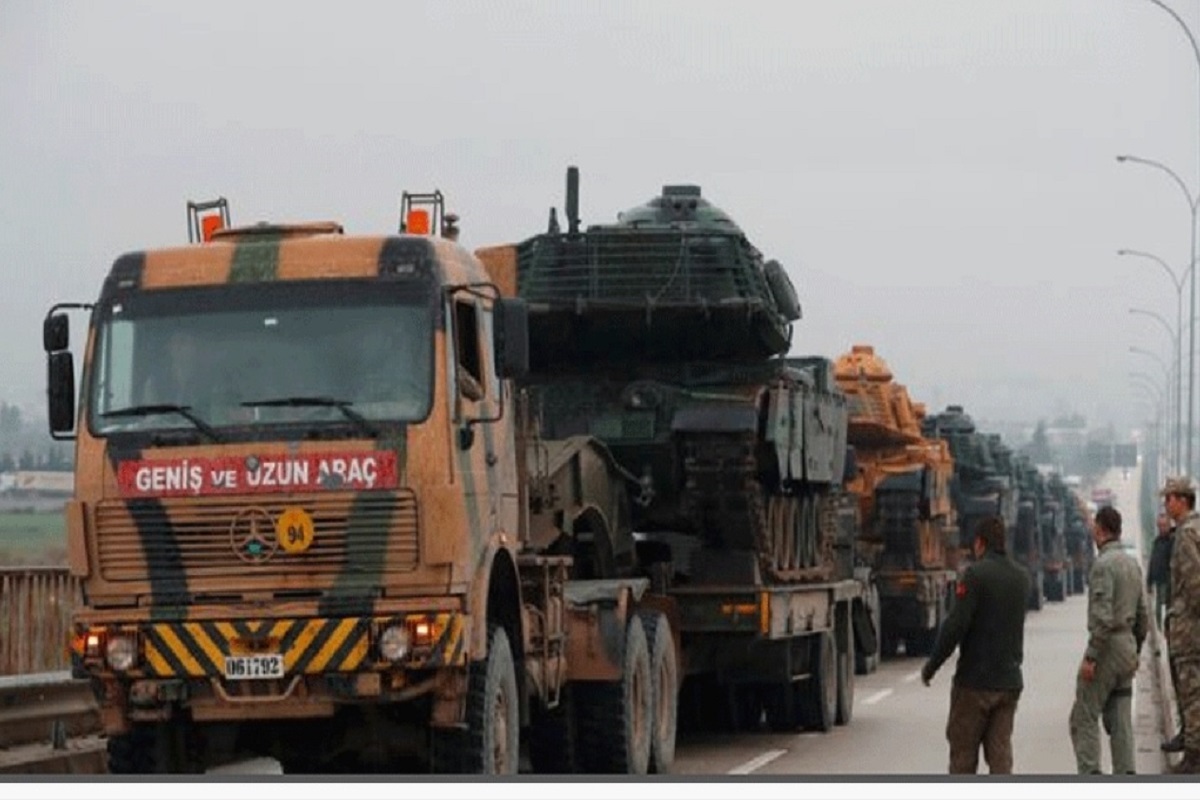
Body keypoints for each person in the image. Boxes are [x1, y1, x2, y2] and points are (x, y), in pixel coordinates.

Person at [921, 515, 1031, 774]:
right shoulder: (1022, 578)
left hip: (974, 684)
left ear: (980, 544)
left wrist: (932, 666)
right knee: (1001, 759)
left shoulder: (975, 575)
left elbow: (955, 626)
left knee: (963, 760)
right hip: (1008, 683)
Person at [1068, 506, 1148, 774]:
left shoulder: (1103, 566)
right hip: (1127, 647)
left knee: (1084, 715)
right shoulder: (1132, 564)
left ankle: (1090, 774)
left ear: (1101, 530)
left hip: (1108, 648)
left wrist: (1091, 657)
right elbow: (1143, 614)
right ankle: (1126, 773)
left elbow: (1103, 618)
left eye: (1094, 526)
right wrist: (1135, 648)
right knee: (1120, 716)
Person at [1163, 475, 1200, 773]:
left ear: (1183, 500)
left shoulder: (1187, 534)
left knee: (1191, 691)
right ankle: (1189, 739)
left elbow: (1194, 583)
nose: (1166, 504)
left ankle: (1195, 754)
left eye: (1169, 498)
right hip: (1189, 626)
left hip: (1190, 629)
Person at [1147, 512, 1175, 630]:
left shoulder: (1173, 541)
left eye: (1164, 525)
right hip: (1159, 581)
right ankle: (1161, 630)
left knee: (1167, 608)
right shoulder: (1157, 542)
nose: (1162, 528)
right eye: (1160, 526)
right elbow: (1153, 561)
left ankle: (1167, 629)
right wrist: (1149, 581)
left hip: (1169, 581)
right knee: (1158, 609)